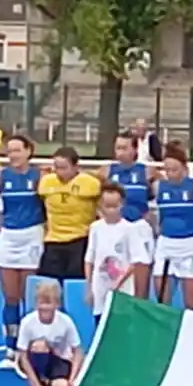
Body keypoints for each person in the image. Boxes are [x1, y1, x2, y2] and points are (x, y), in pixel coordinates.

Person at [0, 134, 45, 370]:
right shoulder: (1, 177)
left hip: (32, 235)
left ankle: (34, 348)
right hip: (9, 237)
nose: (12, 155)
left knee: (29, 296)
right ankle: (11, 348)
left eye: (17, 150)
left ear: (28, 151)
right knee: (10, 297)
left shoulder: (40, 176)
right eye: (9, 151)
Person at [36, 147, 101, 284]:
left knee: (75, 283)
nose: (60, 172)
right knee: (49, 283)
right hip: (53, 240)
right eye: (57, 167)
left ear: (76, 166)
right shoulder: (47, 182)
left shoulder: (90, 183)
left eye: (64, 168)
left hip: (80, 239)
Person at [84, 184, 148, 322]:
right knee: (100, 323)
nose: (111, 210)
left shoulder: (130, 229)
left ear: (122, 204)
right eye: (107, 206)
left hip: (122, 289)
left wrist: (119, 283)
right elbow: (90, 258)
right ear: (100, 205)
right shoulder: (95, 228)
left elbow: (135, 261)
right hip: (100, 288)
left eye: (115, 206)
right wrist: (89, 287)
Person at [150, 142, 193, 307]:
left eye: (175, 170)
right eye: (167, 170)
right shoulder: (158, 187)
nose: (171, 174)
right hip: (166, 245)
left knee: (191, 304)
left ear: (184, 168)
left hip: (190, 244)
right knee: (162, 300)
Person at [102, 132, 154, 298]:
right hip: (116, 227)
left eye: (124, 148)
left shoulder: (146, 171)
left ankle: (141, 306)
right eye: (117, 148)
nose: (120, 152)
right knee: (117, 274)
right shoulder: (107, 171)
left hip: (138, 226)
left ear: (134, 150)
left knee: (141, 272)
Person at [17, 280, 85, 386]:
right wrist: (35, 385)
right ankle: (40, 380)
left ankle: (48, 383)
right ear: (36, 304)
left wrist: (72, 381)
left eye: (49, 306)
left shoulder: (66, 321)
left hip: (59, 362)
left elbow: (78, 351)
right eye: (41, 306)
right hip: (35, 360)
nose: (45, 311)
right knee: (39, 345)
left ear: (57, 305)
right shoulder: (27, 322)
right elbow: (22, 355)